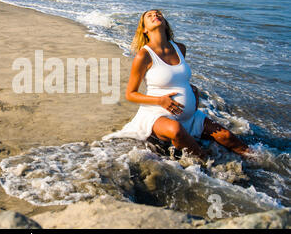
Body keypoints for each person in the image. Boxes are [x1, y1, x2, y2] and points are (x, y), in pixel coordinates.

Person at [103, 9, 250, 159]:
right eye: (149, 15)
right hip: (157, 115)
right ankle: (206, 162)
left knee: (227, 136)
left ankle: (260, 161)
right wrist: (160, 100)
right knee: (176, 130)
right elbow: (130, 94)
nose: (155, 15)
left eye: (158, 13)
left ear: (165, 24)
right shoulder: (144, 55)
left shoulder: (180, 48)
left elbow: (178, 78)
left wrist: (193, 90)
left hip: (190, 117)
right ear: (145, 29)